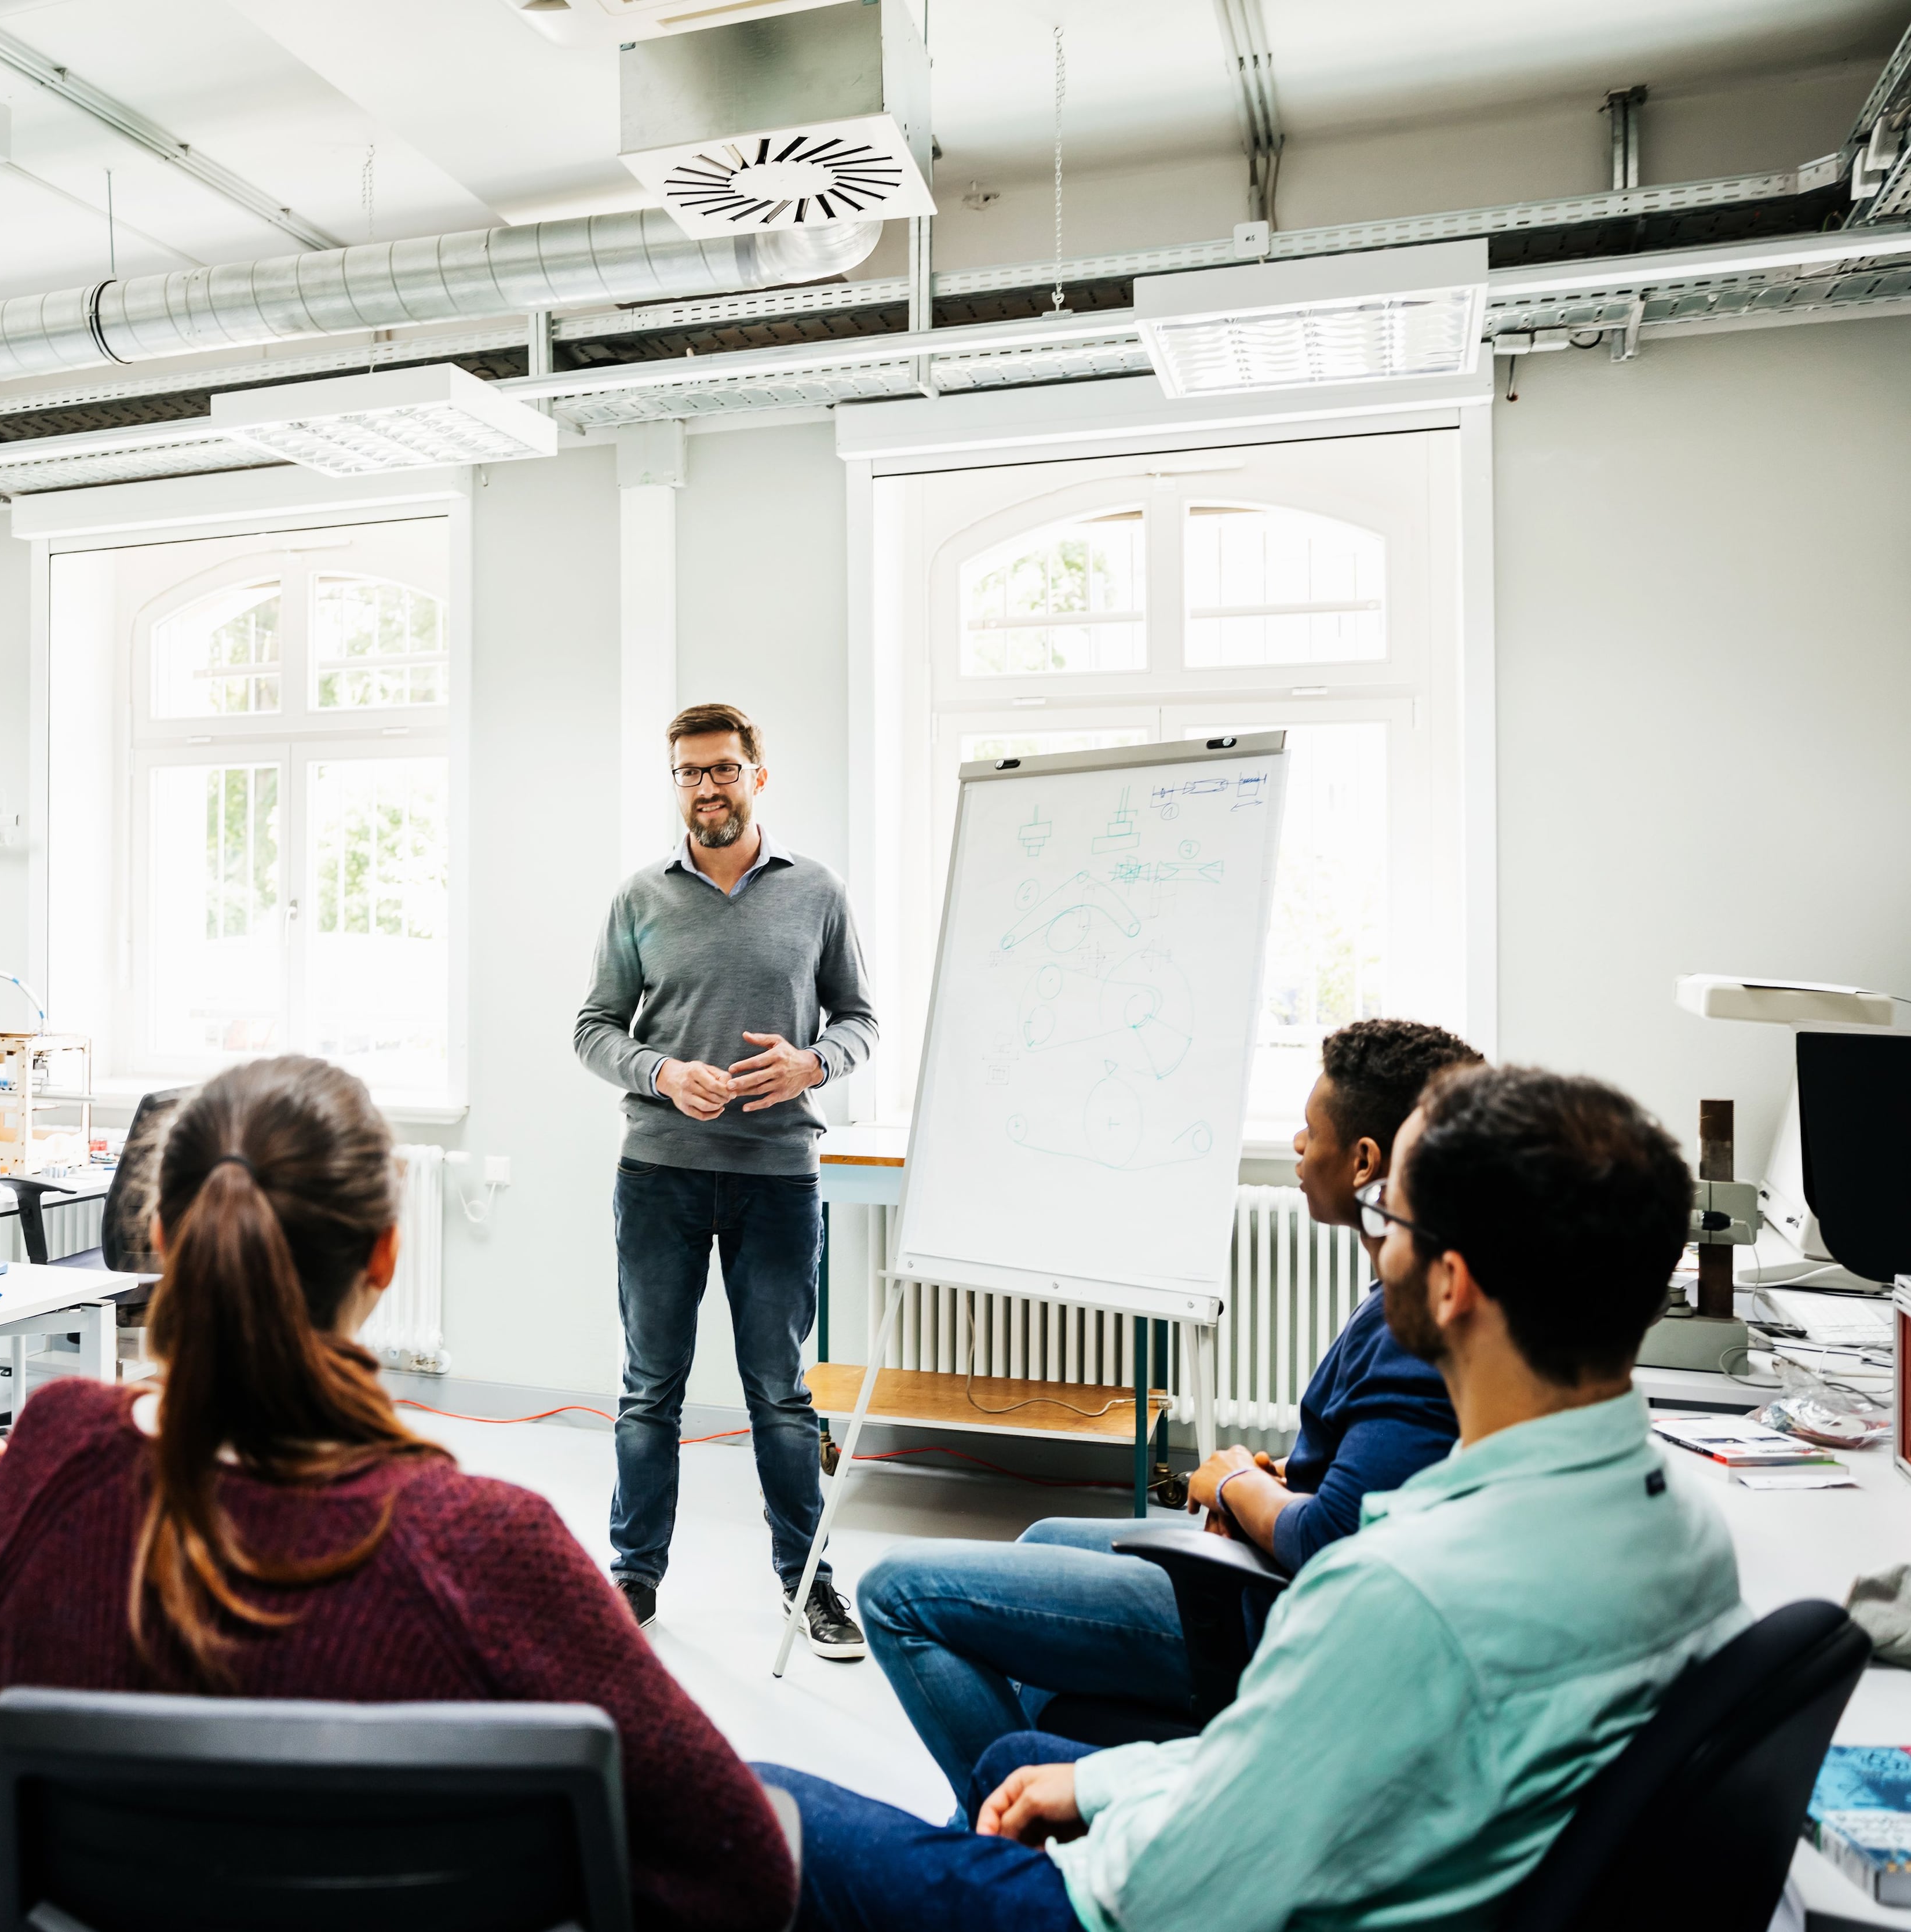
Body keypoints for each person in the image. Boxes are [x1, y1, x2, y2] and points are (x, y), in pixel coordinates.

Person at [764, 1062, 1746, 1932]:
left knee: (741, 1807)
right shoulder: (1689, 1526)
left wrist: (1090, 1822)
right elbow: (1280, 1762)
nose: (1377, 1242)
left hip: (1124, 1902)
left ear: (1453, 1283)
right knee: (1017, 1760)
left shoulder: (1397, 1596)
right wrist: (1102, 1777)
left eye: (1388, 1217)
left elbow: (1165, 1890)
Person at [0, 1055, 797, 1932]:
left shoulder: (50, 1446)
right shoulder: (491, 1543)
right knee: (807, 1810)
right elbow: (741, 1877)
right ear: (387, 1253)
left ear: (167, 1240)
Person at [858, 1019, 1478, 1809]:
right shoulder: (1400, 1294)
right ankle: (1024, 1787)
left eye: (1310, 1127)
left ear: (1364, 1162)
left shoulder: (1411, 1322)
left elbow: (1332, 1539)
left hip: (1274, 1611)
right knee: (1043, 1539)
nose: (1295, 1141)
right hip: (1272, 1573)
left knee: (893, 1591)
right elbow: (1382, 1476)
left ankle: (1019, 1833)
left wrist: (1235, 1487)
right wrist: (1285, 1475)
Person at [574, 700, 878, 1655]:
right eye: (689, 772)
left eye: (722, 768)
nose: (706, 786)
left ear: (757, 774)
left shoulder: (818, 892)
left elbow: (860, 1018)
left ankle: (809, 1582)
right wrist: (663, 1071)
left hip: (779, 1177)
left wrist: (811, 1064)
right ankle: (635, 1576)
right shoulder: (638, 898)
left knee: (782, 1393)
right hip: (660, 1174)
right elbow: (593, 1029)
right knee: (648, 1389)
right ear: (676, 783)